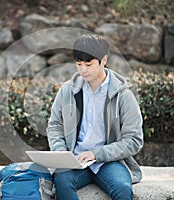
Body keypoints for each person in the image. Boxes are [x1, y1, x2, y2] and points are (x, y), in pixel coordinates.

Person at [46, 33, 144, 200]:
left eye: (89, 64)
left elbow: (134, 140)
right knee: (62, 181)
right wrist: (62, 154)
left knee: (122, 188)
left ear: (103, 60)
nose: (83, 69)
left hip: (109, 162)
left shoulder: (123, 95)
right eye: (79, 64)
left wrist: (97, 153)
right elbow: (55, 125)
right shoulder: (67, 90)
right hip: (74, 160)